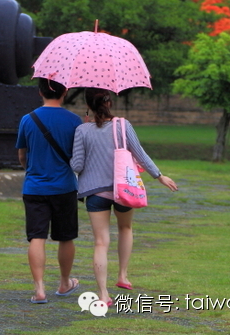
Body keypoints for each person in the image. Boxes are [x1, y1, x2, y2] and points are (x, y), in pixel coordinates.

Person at [70, 88, 178, 306]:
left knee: (101, 242)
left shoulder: (82, 130)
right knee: (125, 229)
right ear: (109, 103)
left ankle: (103, 294)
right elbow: (140, 154)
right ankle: (123, 276)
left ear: (88, 106)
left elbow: (77, 165)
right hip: (123, 189)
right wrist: (159, 176)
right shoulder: (123, 125)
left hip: (94, 192)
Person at [16, 78, 83, 304]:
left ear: (39, 92)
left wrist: (32, 170)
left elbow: (22, 156)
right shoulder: (74, 121)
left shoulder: (28, 119)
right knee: (66, 237)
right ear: (65, 92)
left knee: (37, 237)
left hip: (34, 187)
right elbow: (79, 157)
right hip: (64, 187)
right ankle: (64, 283)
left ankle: (40, 289)